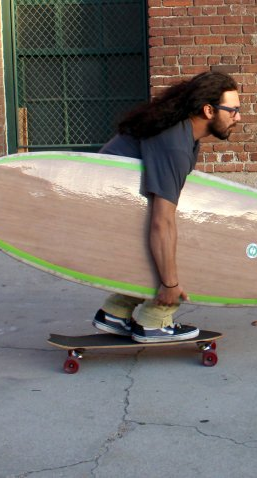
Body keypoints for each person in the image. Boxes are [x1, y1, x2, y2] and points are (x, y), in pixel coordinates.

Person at [91, 71, 241, 343]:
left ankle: (116, 309)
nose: (238, 118)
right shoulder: (175, 144)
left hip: (109, 209)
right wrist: (170, 285)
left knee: (176, 233)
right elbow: (161, 222)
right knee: (181, 244)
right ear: (209, 110)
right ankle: (156, 319)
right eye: (233, 111)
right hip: (103, 214)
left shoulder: (182, 132)